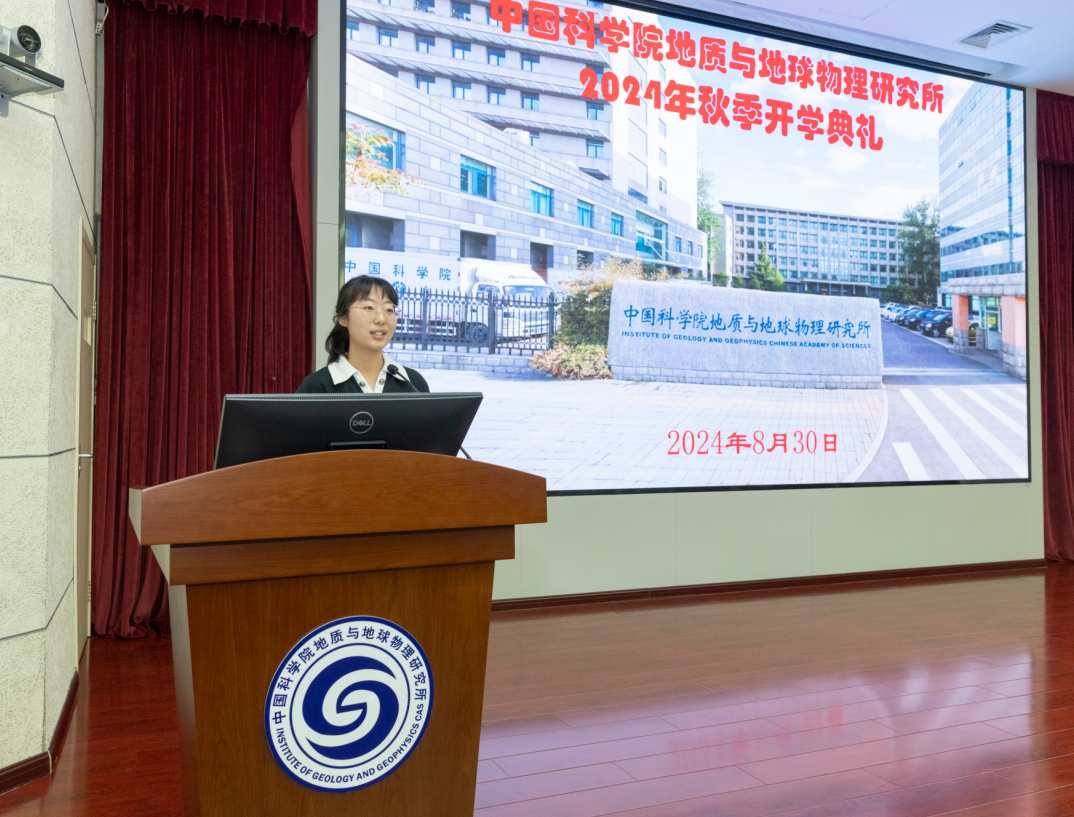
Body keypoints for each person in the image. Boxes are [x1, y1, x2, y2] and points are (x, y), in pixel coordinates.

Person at [297, 276, 430, 394]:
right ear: (343, 318)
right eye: (369, 308)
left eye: (389, 310)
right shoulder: (317, 387)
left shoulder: (413, 384)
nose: (381, 319)